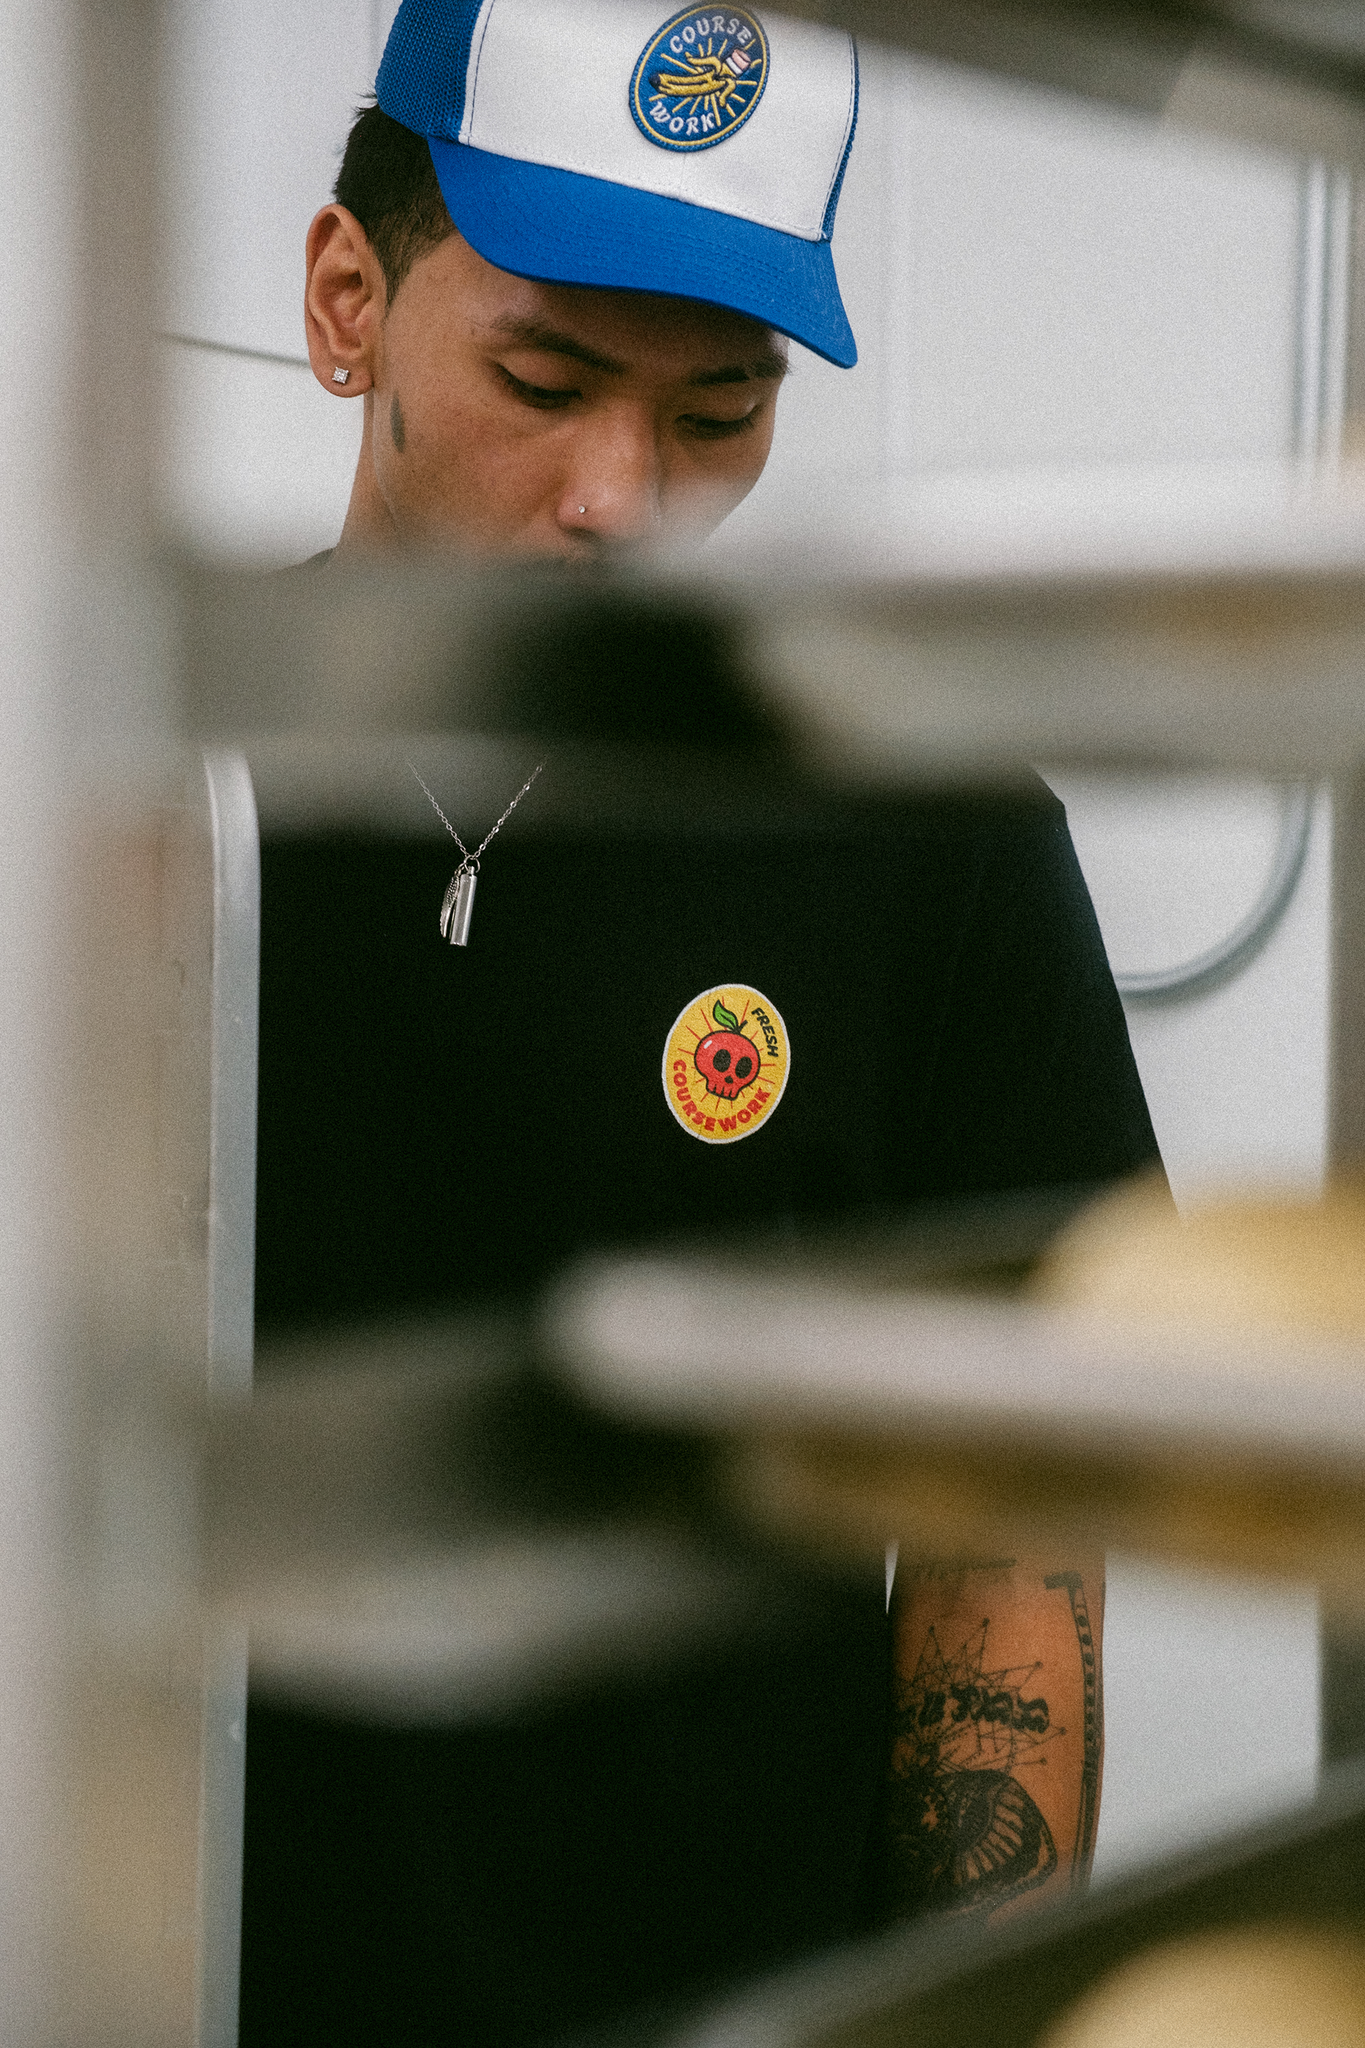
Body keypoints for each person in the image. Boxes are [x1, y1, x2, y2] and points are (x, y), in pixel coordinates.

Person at [243, 2, 1156, 2040]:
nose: (619, 498)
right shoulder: (132, 793)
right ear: (347, 303)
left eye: (717, 413)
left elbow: (1011, 1521)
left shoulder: (926, 835)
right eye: (544, 381)